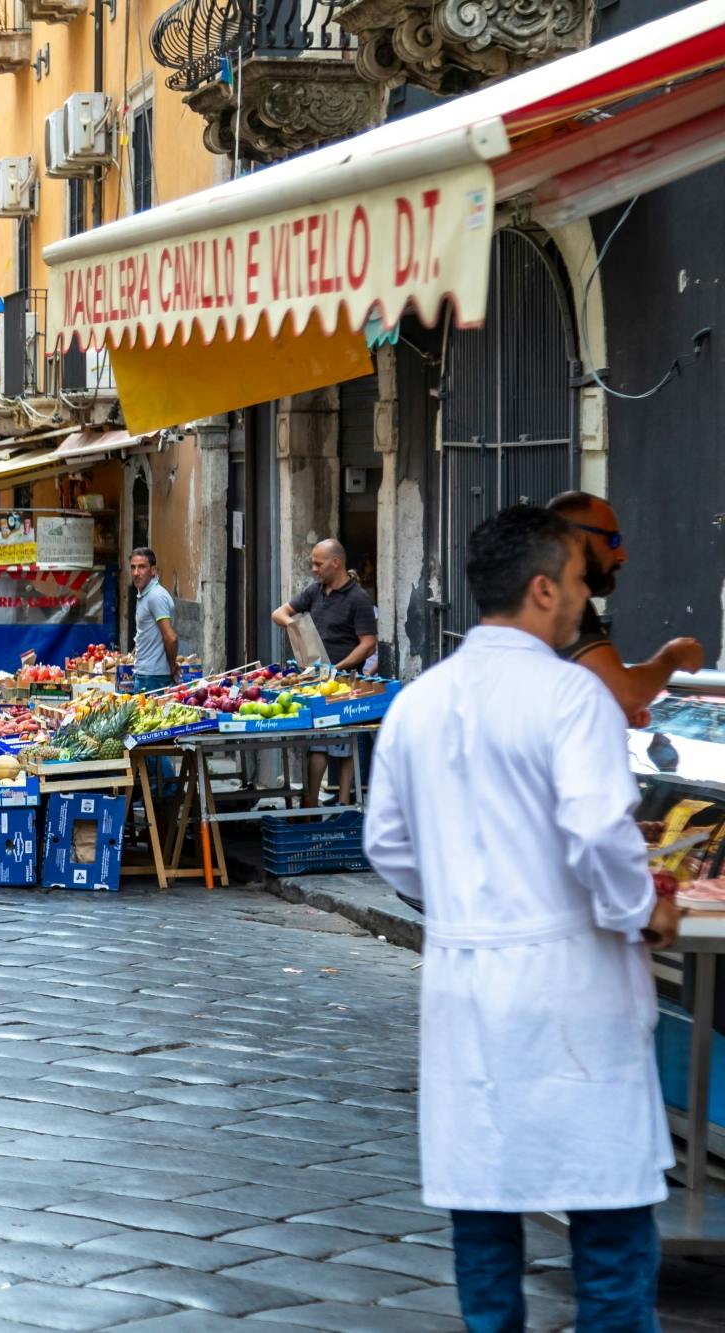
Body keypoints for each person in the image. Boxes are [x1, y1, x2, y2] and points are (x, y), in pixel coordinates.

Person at [364, 504, 679, 1333]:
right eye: (576, 580)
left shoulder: (419, 702)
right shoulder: (571, 695)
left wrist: (467, 897)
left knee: (485, 1213)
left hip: (465, 986)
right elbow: (599, 831)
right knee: (609, 1222)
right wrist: (642, 910)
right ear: (543, 589)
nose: (583, 597)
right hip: (572, 986)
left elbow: (386, 844)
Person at [549, 491, 705, 725]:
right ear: (574, 538)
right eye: (612, 540)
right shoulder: (562, 600)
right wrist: (673, 656)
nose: (622, 555)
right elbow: (626, 695)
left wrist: (610, 710)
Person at [271, 538, 378, 807]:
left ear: (336, 563)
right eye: (313, 564)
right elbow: (279, 613)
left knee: (344, 742)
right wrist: (296, 627)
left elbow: (368, 643)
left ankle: (342, 804)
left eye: (318, 564)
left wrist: (337, 668)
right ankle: (310, 805)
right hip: (316, 681)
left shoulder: (358, 599)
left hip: (345, 683)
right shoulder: (315, 591)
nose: (314, 569)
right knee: (318, 743)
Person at [130, 547, 178, 693]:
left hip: (152, 677)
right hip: (146, 673)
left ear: (153, 570)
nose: (136, 573)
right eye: (133, 567)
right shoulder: (145, 593)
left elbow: (171, 638)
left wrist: (172, 665)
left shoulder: (155, 596)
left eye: (142, 567)